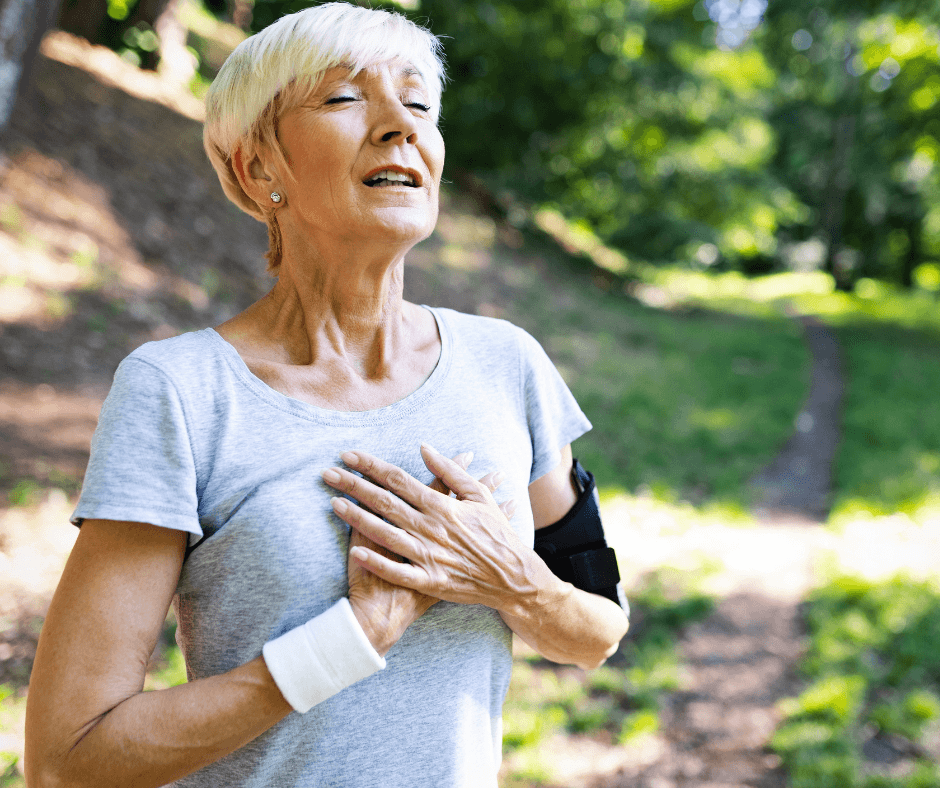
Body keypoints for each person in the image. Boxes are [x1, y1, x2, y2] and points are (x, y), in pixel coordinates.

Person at [24, 4, 629, 786]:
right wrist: (348, 642)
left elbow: (598, 631)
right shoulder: (181, 392)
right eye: (343, 97)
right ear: (257, 169)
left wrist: (516, 581)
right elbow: (68, 759)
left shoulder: (507, 365)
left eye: (418, 103)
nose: (398, 125)